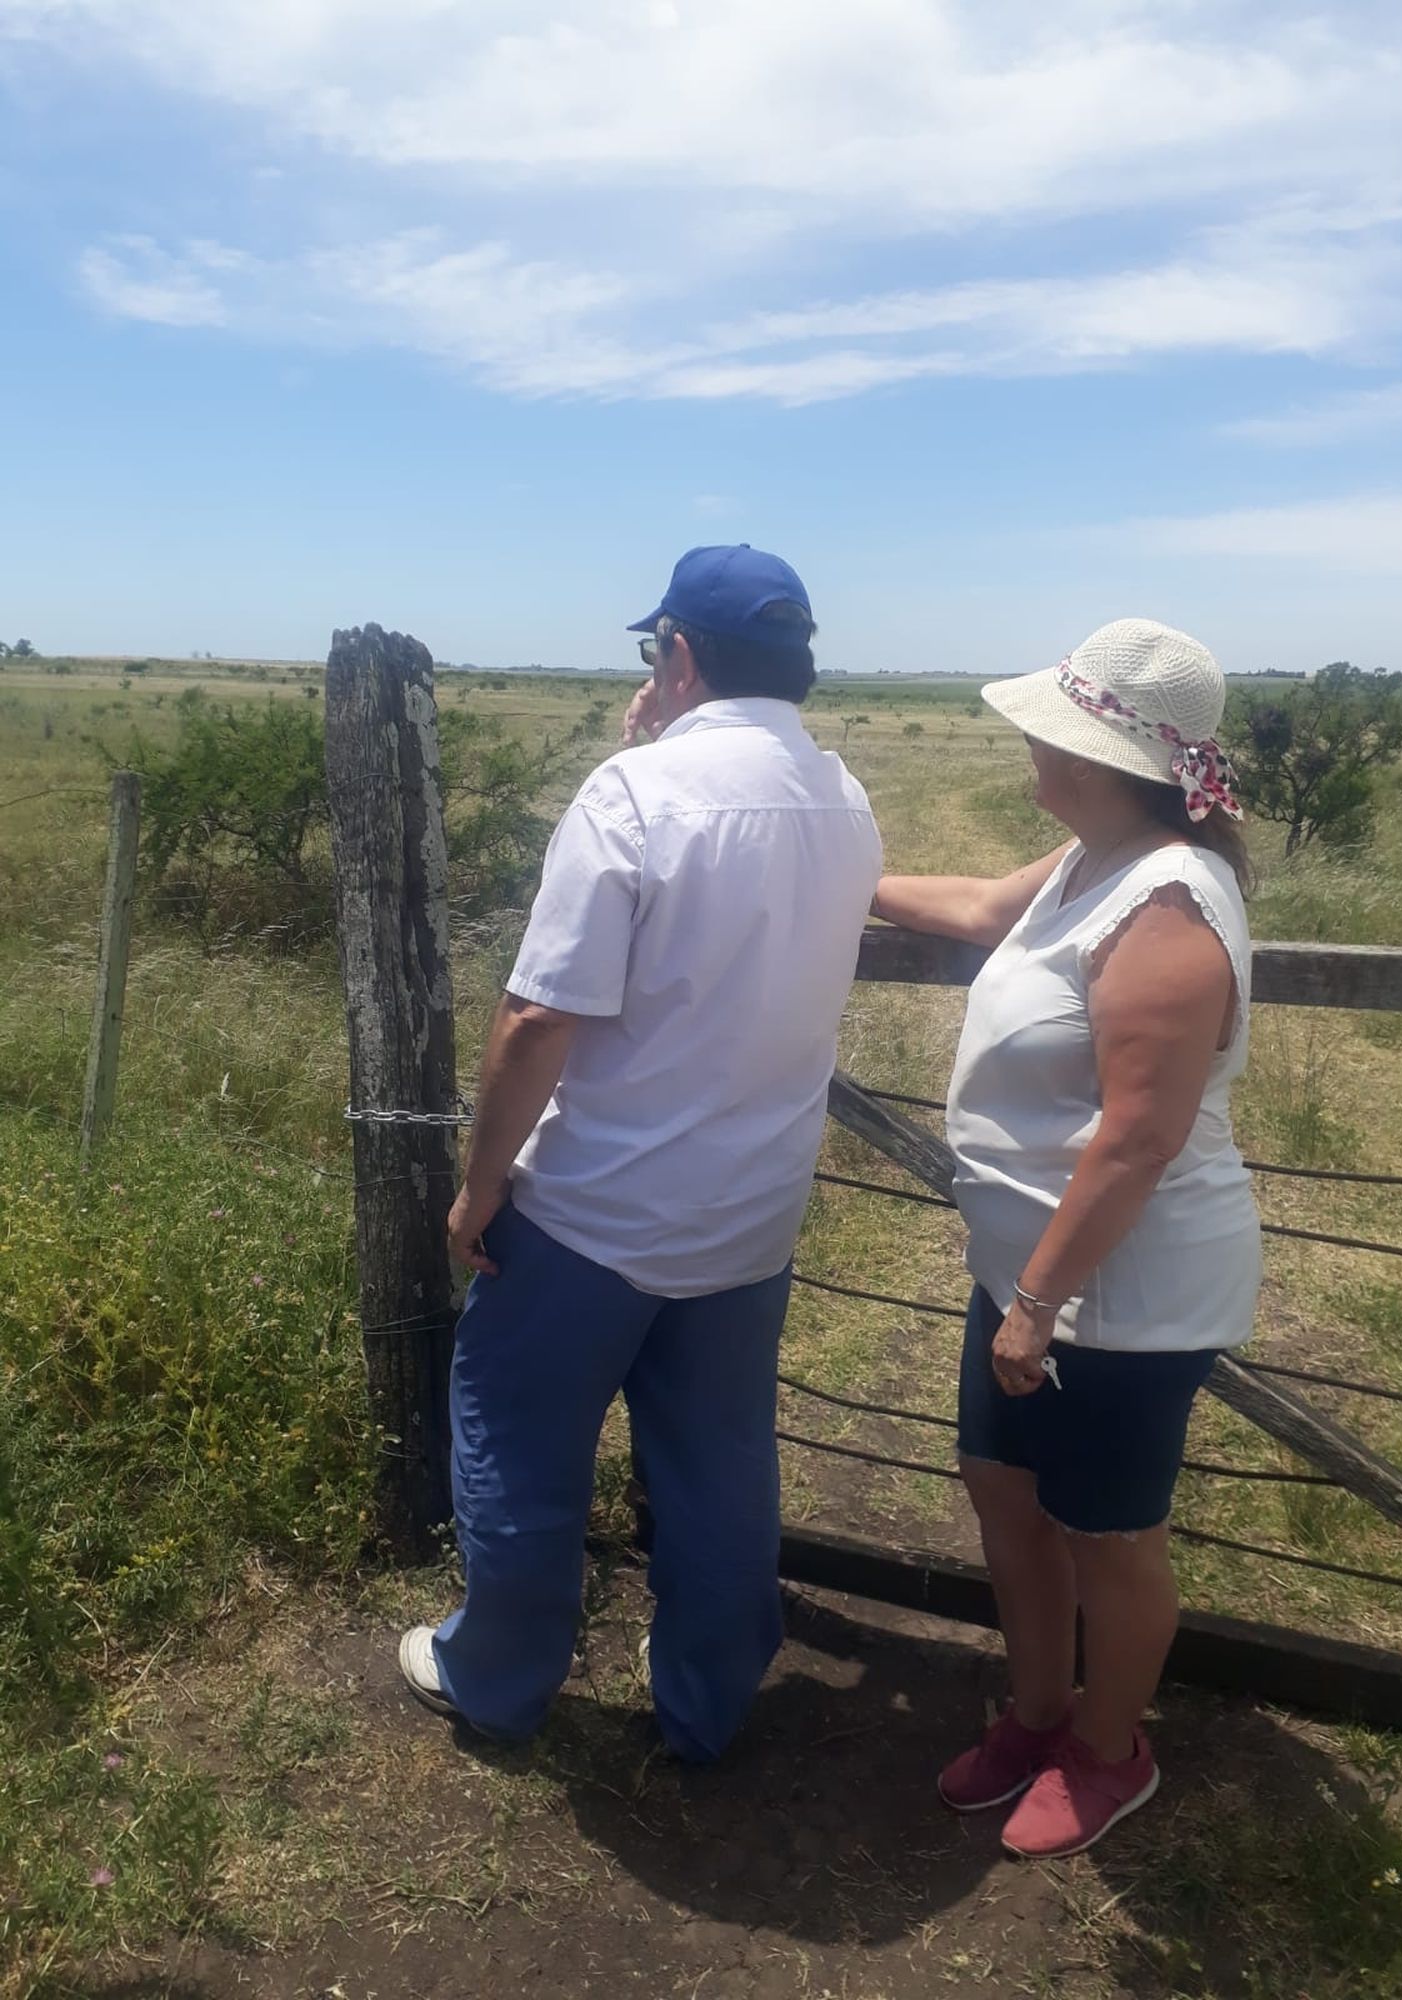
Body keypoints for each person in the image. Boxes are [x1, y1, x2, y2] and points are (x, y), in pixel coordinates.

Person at [399, 544, 883, 1761]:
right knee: (720, 1463)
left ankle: (498, 1678)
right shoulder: (847, 799)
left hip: (593, 1211)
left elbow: (540, 1016)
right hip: (750, 1216)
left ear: (678, 656)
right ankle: (708, 1703)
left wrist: (478, 1185)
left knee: (519, 1437)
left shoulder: (631, 797)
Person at [873, 618, 1260, 1859]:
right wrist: (834, 878)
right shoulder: (1097, 855)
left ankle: (1109, 1749)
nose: (1028, 739)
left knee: (1109, 1532)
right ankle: (1038, 1713)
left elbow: (1139, 1137)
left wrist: (1039, 1301)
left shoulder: (1171, 903)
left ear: (1097, 752)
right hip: (1032, 1270)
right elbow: (984, 906)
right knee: (1005, 1492)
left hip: (1113, 1292)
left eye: (1050, 725)